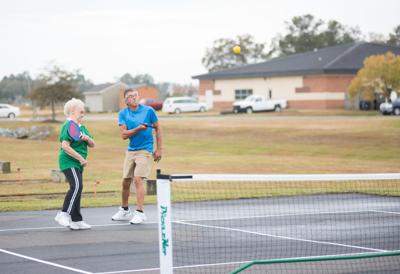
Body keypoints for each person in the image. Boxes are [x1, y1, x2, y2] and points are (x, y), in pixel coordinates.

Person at [112, 88, 162, 224]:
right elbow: (123, 135)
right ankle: (124, 210)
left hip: (145, 150)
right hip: (131, 150)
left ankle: (140, 212)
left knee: (138, 179)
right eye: (130, 96)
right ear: (126, 100)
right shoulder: (123, 114)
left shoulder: (148, 111)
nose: (134, 97)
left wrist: (159, 149)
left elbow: (158, 128)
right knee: (125, 181)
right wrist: (138, 129)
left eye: (136, 95)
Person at [54, 98, 95, 230]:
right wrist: (80, 158)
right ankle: (63, 214)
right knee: (77, 186)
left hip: (77, 163)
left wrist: (87, 138)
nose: (83, 113)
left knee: (78, 187)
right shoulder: (68, 125)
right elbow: (65, 146)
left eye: (84, 111)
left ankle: (76, 220)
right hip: (68, 161)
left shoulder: (82, 127)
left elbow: (93, 144)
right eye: (80, 111)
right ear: (72, 111)